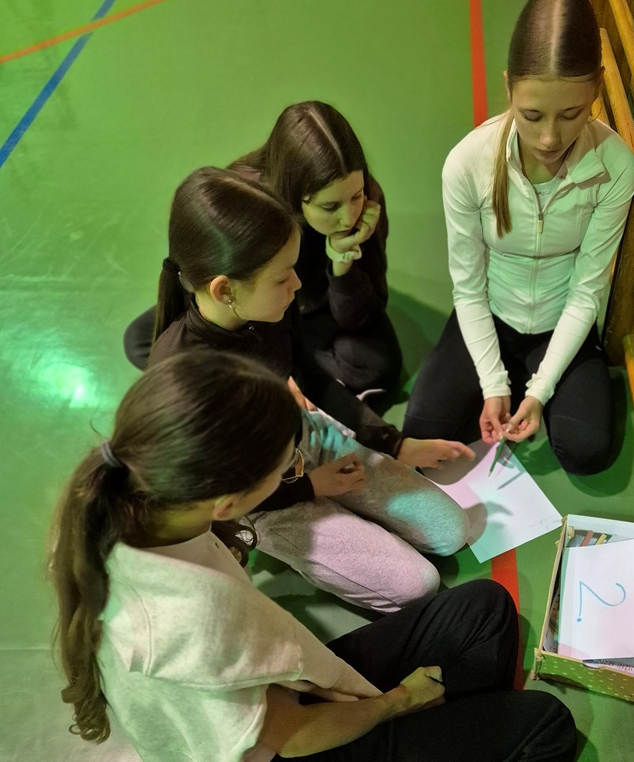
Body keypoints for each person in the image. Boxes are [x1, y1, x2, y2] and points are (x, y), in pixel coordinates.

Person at [51, 350, 577, 762]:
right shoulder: (192, 617)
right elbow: (295, 735)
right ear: (230, 499)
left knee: (483, 612)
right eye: (287, 467)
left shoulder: (135, 500)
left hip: (281, 701)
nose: (297, 468)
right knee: (544, 730)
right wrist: (396, 703)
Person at [148, 167, 472, 612]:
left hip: (307, 439)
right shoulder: (187, 381)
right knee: (419, 584)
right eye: (282, 277)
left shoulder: (268, 310)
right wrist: (310, 487)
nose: (297, 285)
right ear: (225, 290)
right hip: (266, 499)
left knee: (451, 530)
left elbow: (312, 376)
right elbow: (221, 499)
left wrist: (391, 441)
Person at [403, 0, 634, 476]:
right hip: (490, 312)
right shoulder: (467, 163)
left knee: (586, 450)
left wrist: (540, 390)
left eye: (571, 114)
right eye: (532, 115)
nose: (549, 137)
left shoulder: (615, 167)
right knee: (423, 428)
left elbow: (587, 290)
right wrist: (494, 383)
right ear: (508, 88)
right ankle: (499, 374)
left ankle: (534, 378)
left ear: (596, 87)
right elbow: (468, 288)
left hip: (562, 321)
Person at [123, 100, 401, 398]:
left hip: (309, 310)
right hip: (259, 306)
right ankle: (293, 370)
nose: (349, 217)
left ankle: (289, 367)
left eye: (356, 195)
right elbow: (221, 284)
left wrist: (342, 261)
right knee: (142, 340)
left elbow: (359, 316)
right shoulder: (250, 199)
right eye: (330, 206)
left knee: (379, 363)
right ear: (293, 195)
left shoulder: (368, 205)